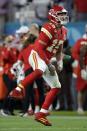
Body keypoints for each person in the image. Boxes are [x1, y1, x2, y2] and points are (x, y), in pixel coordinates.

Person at [18, 5, 69, 126]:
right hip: (39, 59)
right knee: (32, 89)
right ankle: (22, 96)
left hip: (46, 60)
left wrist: (59, 60)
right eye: (61, 15)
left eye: (64, 14)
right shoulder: (48, 28)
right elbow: (40, 49)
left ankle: (41, 113)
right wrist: (48, 63)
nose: (64, 17)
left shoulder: (64, 30)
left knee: (55, 86)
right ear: (53, 16)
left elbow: (59, 47)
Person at [71, 32, 87, 114]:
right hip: (83, 67)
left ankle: (82, 107)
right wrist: (83, 66)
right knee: (81, 88)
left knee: (84, 89)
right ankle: (80, 107)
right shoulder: (81, 41)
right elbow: (75, 53)